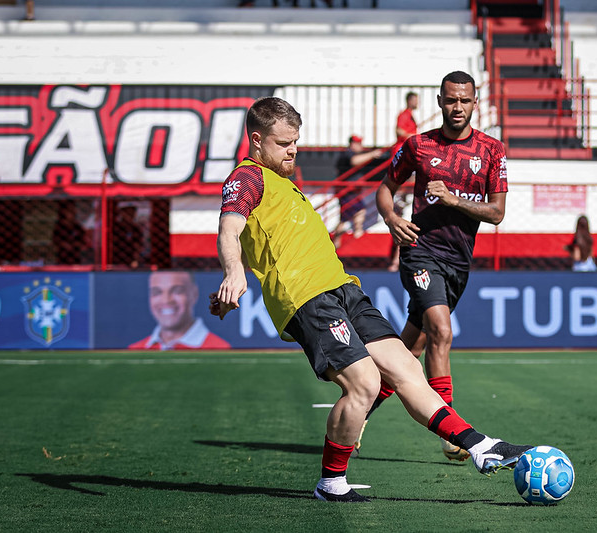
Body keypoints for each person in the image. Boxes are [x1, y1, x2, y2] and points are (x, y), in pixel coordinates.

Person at [209, 96, 530, 503]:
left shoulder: (283, 180)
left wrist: (232, 279)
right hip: (307, 298)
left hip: (345, 289)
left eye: (296, 141)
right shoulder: (248, 177)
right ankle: (331, 483)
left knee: (406, 371)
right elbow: (229, 229)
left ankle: (481, 447)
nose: (293, 150)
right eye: (283, 143)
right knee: (364, 383)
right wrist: (232, 270)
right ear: (256, 140)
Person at [370, 71, 509, 462]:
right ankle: (453, 433)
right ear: (439, 101)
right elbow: (385, 188)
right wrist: (392, 219)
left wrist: (451, 200)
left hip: (458, 262)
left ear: (475, 101)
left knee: (408, 350)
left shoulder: (492, 151)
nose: (458, 107)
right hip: (420, 251)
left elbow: (496, 213)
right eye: (451, 100)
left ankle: (361, 407)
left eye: (465, 100)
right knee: (441, 331)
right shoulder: (418, 145)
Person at [130, 271, 230, 350]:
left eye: (177, 291)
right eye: (157, 292)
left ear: (194, 294)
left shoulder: (220, 348)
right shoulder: (134, 350)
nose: (166, 300)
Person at [331, 135, 384, 249]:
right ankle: (356, 232)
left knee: (347, 216)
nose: (360, 146)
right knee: (356, 212)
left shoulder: (352, 154)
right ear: (352, 144)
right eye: (357, 143)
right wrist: (372, 154)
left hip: (351, 190)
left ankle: (339, 240)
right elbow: (354, 161)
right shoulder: (347, 154)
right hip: (347, 191)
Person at [388, 91, 419, 270]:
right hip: (404, 158)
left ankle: (395, 261)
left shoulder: (410, 115)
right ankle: (395, 261)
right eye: (415, 99)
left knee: (403, 217)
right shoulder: (404, 114)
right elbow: (399, 131)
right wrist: (413, 138)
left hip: (406, 161)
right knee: (402, 217)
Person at [52, 201, 87, 265]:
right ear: (64, 212)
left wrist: (74, 244)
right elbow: (56, 240)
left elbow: (83, 242)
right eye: (70, 211)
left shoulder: (78, 227)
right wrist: (65, 244)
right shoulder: (60, 227)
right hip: (62, 259)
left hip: (75, 259)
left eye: (73, 210)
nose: (73, 213)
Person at [111, 203, 144, 268]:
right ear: (122, 213)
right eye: (128, 212)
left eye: (132, 212)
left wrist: (135, 259)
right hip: (116, 261)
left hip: (131, 261)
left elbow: (138, 246)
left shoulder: (136, 229)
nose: (131, 215)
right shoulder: (116, 228)